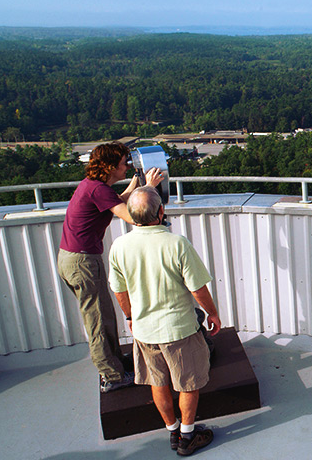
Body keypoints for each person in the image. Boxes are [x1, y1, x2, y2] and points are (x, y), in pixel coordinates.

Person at [109, 186, 221, 456]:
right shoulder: (176, 243)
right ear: (160, 211)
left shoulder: (119, 246)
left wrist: (130, 317)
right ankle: (187, 436)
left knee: (158, 383)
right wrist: (212, 314)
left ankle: (172, 431)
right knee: (188, 383)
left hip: (145, 331)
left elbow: (119, 290)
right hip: (179, 328)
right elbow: (197, 289)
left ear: (132, 215)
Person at [57, 141, 164, 393]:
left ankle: (116, 363)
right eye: (123, 163)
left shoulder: (95, 187)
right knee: (97, 320)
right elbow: (132, 215)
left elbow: (119, 201)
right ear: (109, 166)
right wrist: (150, 187)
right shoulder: (96, 189)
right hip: (81, 262)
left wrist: (138, 182)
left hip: (75, 258)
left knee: (103, 316)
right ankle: (112, 376)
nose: (127, 167)